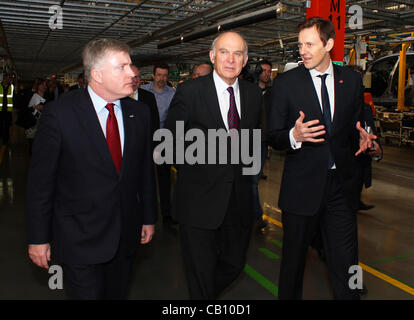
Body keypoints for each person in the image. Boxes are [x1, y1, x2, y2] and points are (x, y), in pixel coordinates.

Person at [27, 38, 157, 300]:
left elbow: (144, 170)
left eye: (131, 65)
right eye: (121, 67)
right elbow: (41, 182)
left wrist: (148, 217)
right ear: (97, 75)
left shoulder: (139, 113)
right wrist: (38, 237)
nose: (132, 73)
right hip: (78, 236)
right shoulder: (60, 114)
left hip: (124, 234)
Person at [267, 17, 376, 300]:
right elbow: (273, 135)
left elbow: (357, 123)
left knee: (347, 263)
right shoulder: (286, 84)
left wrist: (366, 137)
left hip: (341, 188)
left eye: (310, 44)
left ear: (328, 44)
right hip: (301, 190)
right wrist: (294, 135)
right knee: (292, 265)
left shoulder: (351, 80)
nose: (303, 51)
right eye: (300, 44)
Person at [165, 31, 262, 299]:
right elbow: (170, 145)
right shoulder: (190, 92)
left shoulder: (254, 96)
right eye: (224, 52)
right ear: (212, 56)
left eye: (237, 53)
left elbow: (254, 141)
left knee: (233, 264)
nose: (230, 59)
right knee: (200, 273)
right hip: (198, 201)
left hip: (238, 202)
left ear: (245, 61)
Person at [142, 63, 176, 224]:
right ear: (153, 76)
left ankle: (167, 213)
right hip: (145, 138)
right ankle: (143, 212)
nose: (162, 79)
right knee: (143, 176)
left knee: (164, 177)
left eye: (165, 75)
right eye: (159, 75)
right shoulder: (143, 92)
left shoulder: (172, 93)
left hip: (164, 138)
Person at [252, 59, 273, 229]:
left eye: (269, 71)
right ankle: (255, 214)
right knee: (248, 180)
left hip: (262, 142)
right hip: (245, 139)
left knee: (254, 179)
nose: (267, 74)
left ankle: (255, 215)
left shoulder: (273, 94)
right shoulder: (249, 91)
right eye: (264, 70)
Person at [130, 65, 160, 139]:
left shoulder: (149, 97)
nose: (135, 80)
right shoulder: (117, 97)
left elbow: (155, 123)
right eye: (131, 77)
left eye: (137, 77)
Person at [0, 74, 14, 145]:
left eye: (8, 79)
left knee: (7, 126)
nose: (7, 80)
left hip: (8, 110)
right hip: (0, 110)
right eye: (6, 78)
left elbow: (13, 97)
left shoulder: (11, 87)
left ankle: (5, 139)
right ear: (3, 78)